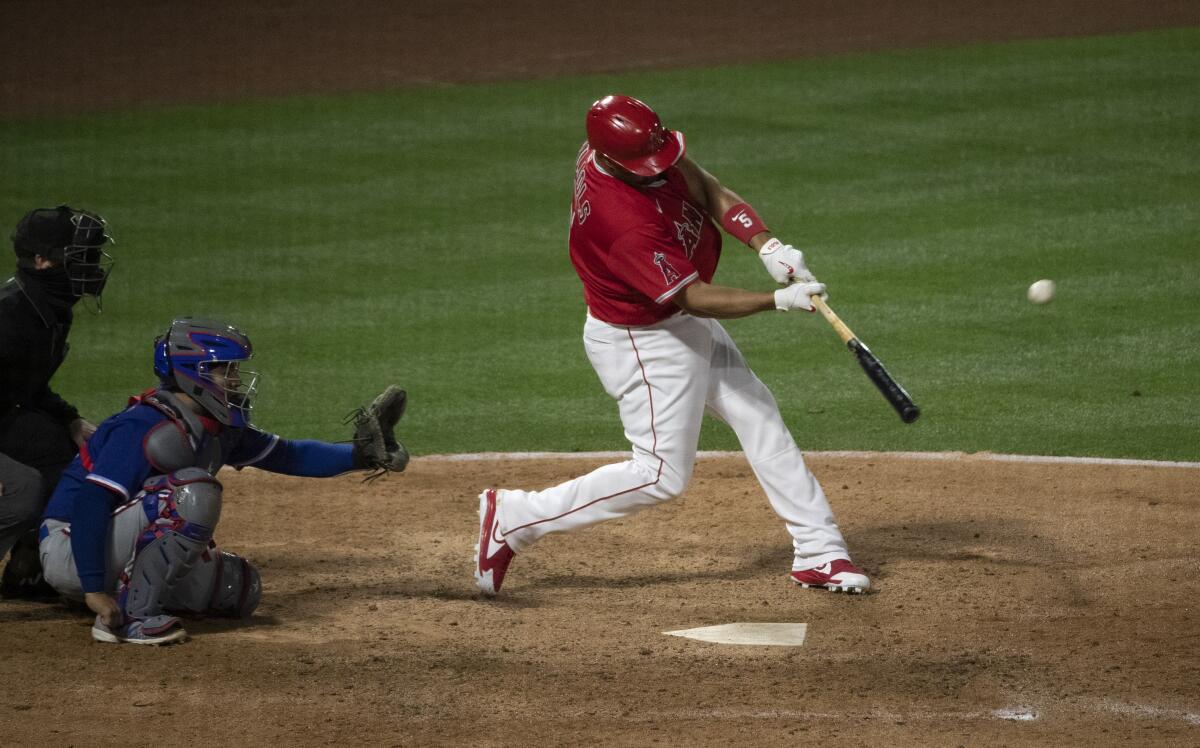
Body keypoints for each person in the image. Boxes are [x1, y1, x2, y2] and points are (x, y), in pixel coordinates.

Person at [474, 94, 870, 596]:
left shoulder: (627, 148)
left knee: (759, 416)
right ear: (613, 161)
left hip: (673, 323)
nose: (658, 168)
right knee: (659, 475)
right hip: (645, 341)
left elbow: (704, 185)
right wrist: (778, 299)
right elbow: (694, 297)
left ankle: (819, 551)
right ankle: (515, 518)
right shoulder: (621, 223)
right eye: (646, 165)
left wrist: (765, 243)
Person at [39, 317, 409, 644]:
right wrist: (91, 588)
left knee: (237, 588)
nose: (234, 380)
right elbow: (91, 502)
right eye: (224, 370)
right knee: (192, 492)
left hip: (114, 545)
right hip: (71, 546)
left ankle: (121, 589)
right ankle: (127, 619)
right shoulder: (145, 425)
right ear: (191, 373)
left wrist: (361, 456)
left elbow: (289, 454)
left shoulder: (217, 427)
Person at [0, 205, 113, 599]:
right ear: (41, 260)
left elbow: (24, 385)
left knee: (66, 453)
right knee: (25, 488)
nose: (90, 267)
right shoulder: (10, 315)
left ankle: (30, 569)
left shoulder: (49, 307)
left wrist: (69, 419)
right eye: (79, 257)